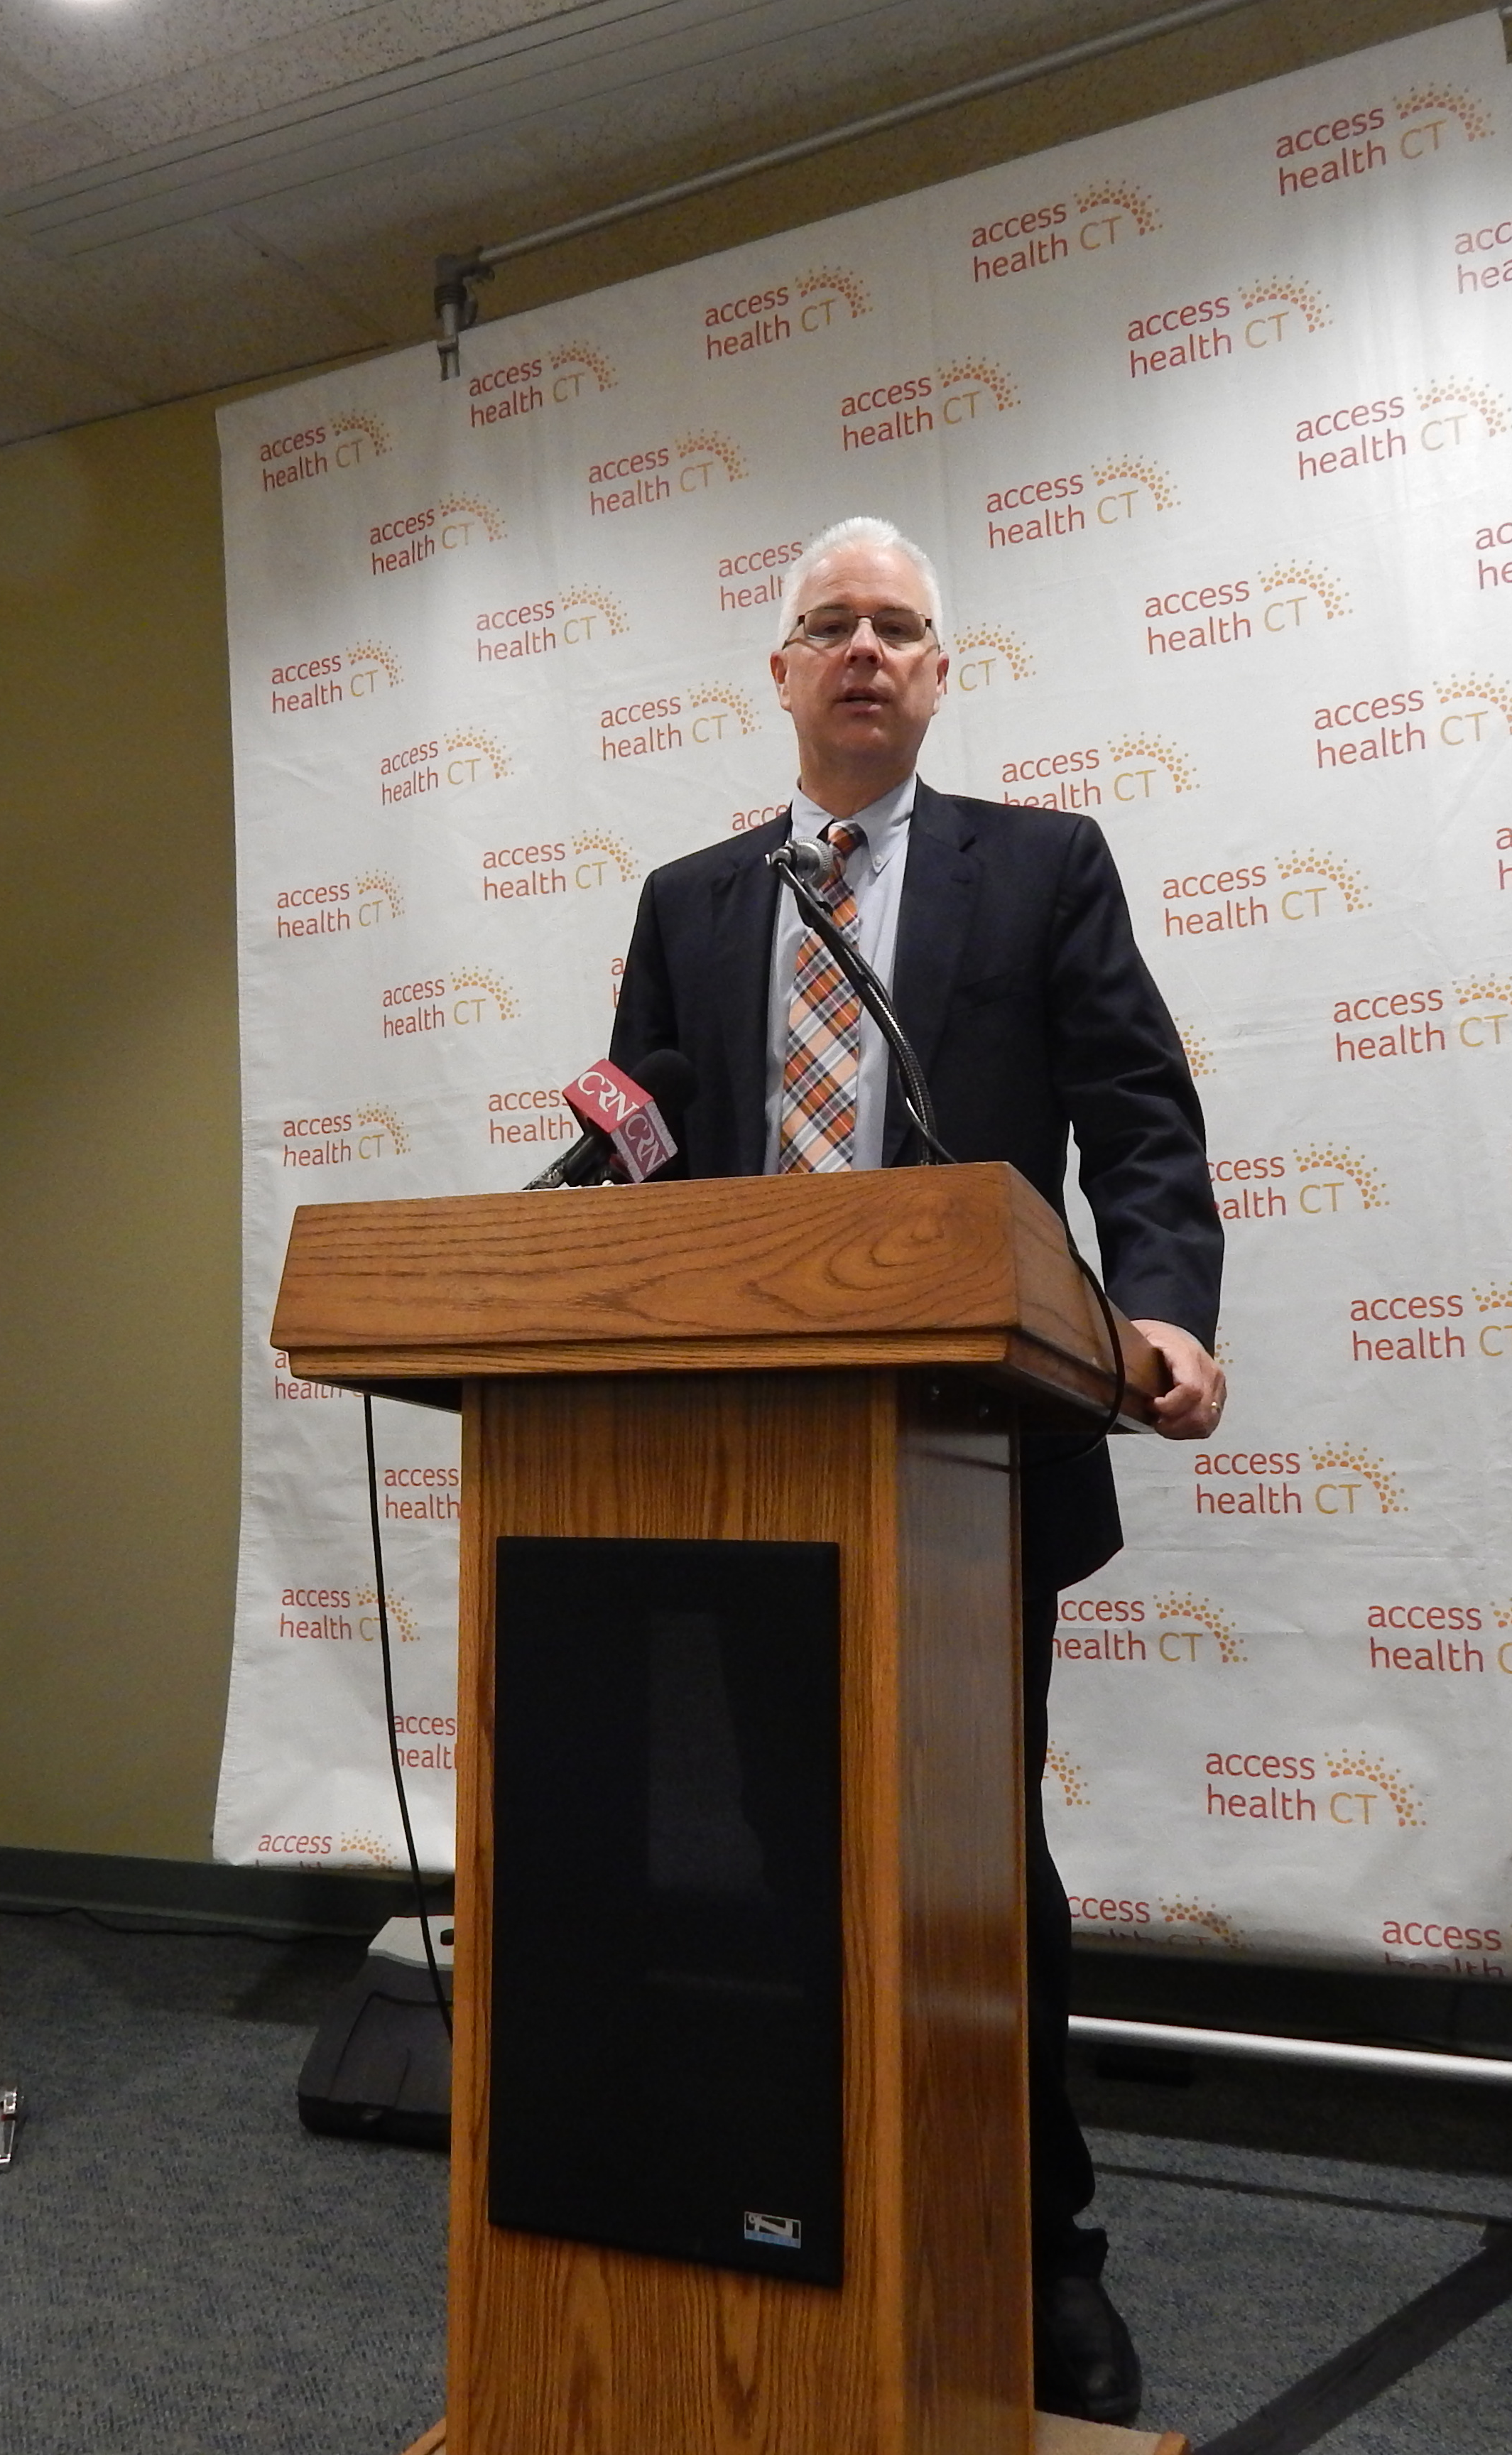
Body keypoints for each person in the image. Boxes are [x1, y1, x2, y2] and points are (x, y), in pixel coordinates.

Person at [607, 515, 1226, 2426]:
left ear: (940, 676)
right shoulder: (693, 899)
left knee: (966, 1858)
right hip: (739, 1451)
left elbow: (1135, 1107)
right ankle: (811, 2191)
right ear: (781, 675)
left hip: (972, 1443)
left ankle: (1042, 2247)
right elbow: (645, 1138)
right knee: (778, 1854)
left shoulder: (1041, 868)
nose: (865, 650)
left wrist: (1168, 1306)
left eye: (900, 627)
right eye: (830, 626)